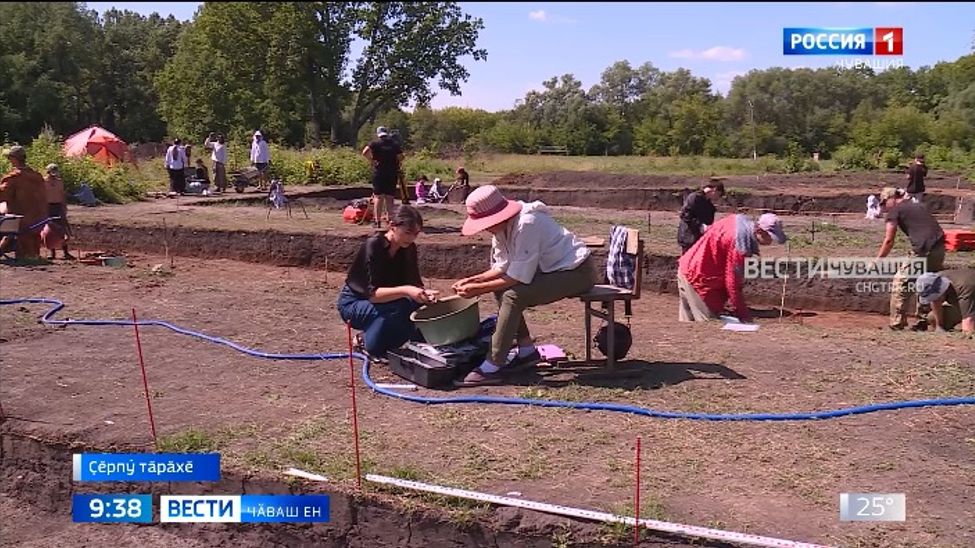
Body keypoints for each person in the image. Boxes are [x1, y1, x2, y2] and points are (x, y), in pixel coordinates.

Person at [452, 185, 597, 387]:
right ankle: (527, 350)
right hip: (554, 271)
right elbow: (502, 266)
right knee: (501, 289)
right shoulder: (502, 228)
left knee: (513, 295)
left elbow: (518, 277)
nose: (485, 228)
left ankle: (493, 365)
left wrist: (478, 289)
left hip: (578, 272)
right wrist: (474, 280)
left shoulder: (528, 222)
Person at [337, 205, 437, 359]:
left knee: (419, 306)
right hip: (355, 302)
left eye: (415, 234)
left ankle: (408, 342)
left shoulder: (408, 248)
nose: (411, 239)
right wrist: (407, 290)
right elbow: (373, 295)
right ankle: (366, 343)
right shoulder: (374, 245)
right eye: (407, 233)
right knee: (399, 307)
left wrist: (423, 294)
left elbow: (413, 282)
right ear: (392, 226)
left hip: (388, 300)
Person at [677, 212, 787, 323]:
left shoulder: (738, 220)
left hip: (687, 267)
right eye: (770, 236)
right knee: (707, 326)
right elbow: (732, 283)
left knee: (688, 325)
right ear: (759, 231)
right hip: (698, 278)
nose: (771, 241)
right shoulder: (740, 244)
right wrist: (743, 315)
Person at [876, 187, 946, 330]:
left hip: (922, 249)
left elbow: (889, 240)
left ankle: (897, 323)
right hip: (939, 247)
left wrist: (879, 259)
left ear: (891, 198)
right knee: (927, 282)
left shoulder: (895, 211)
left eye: (884, 202)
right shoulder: (917, 205)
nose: (884, 206)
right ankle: (924, 321)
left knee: (901, 282)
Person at [0, 146, 48, 260]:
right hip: (39, 218)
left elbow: (2, 195)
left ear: (13, 159)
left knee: (12, 230)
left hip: (19, 220)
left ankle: (25, 256)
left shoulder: (14, 178)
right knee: (30, 240)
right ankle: (32, 256)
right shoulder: (37, 177)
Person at [362, 126, 404, 228]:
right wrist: (396, 164)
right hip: (391, 173)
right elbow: (401, 157)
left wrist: (372, 161)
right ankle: (390, 220)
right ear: (387, 133)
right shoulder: (394, 144)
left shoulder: (375, 143)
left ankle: (377, 221)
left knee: (378, 197)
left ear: (378, 134)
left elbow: (364, 152)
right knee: (390, 198)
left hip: (379, 172)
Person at [916, 269, 975, 334]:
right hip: (963, 301)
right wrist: (939, 326)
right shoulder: (935, 279)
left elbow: (968, 323)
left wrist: (967, 333)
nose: (935, 300)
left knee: (968, 330)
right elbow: (935, 301)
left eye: (936, 296)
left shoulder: (963, 287)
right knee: (932, 317)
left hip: (970, 296)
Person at [678, 182, 725, 255]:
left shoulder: (708, 204)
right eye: (719, 195)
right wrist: (700, 225)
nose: (718, 198)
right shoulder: (694, 198)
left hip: (699, 239)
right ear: (714, 190)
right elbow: (685, 215)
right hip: (689, 237)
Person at [43, 164, 74, 260]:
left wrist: (64, 207)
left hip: (58, 206)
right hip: (48, 206)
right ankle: (52, 252)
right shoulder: (43, 182)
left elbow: (62, 195)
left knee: (63, 229)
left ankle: (65, 252)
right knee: (50, 229)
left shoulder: (59, 182)